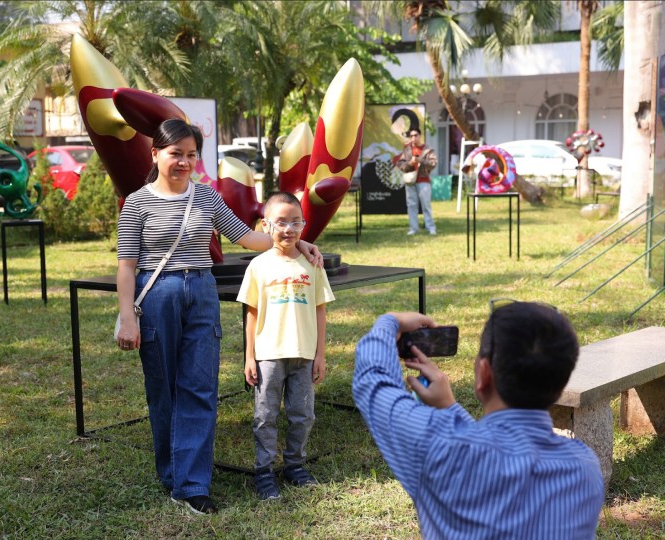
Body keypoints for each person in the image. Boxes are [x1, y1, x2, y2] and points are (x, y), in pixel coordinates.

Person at [115, 119, 323, 515]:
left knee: (200, 387)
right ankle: (172, 473)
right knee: (164, 389)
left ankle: (192, 485)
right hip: (157, 295)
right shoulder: (137, 203)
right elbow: (126, 266)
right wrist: (127, 316)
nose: (184, 162)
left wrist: (298, 241)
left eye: (191, 155)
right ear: (155, 154)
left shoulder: (206, 197)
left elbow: (247, 237)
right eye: (175, 153)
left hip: (202, 293)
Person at [352, 301, 605, 539]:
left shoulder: (440, 449)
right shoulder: (585, 468)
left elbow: (373, 381)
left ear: (484, 373)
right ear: (560, 385)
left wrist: (389, 321)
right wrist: (450, 408)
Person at [237, 192, 335, 500]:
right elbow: (251, 313)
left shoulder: (312, 265)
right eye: (281, 222)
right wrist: (249, 357)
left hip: (304, 355)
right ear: (266, 225)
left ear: (303, 225)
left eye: (296, 222)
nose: (289, 229)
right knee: (265, 416)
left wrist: (320, 354)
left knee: (303, 414)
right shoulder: (258, 266)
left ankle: (295, 465)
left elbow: (320, 310)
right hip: (268, 355)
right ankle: (264, 471)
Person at [394, 127, 438, 236]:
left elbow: (433, 163)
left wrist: (420, 160)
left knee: (426, 205)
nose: (414, 138)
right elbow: (400, 164)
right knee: (411, 205)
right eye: (411, 136)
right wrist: (410, 163)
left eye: (416, 135)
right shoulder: (407, 150)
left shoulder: (428, 149)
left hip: (423, 180)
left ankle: (430, 227)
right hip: (410, 180)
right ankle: (413, 228)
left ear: (420, 136)